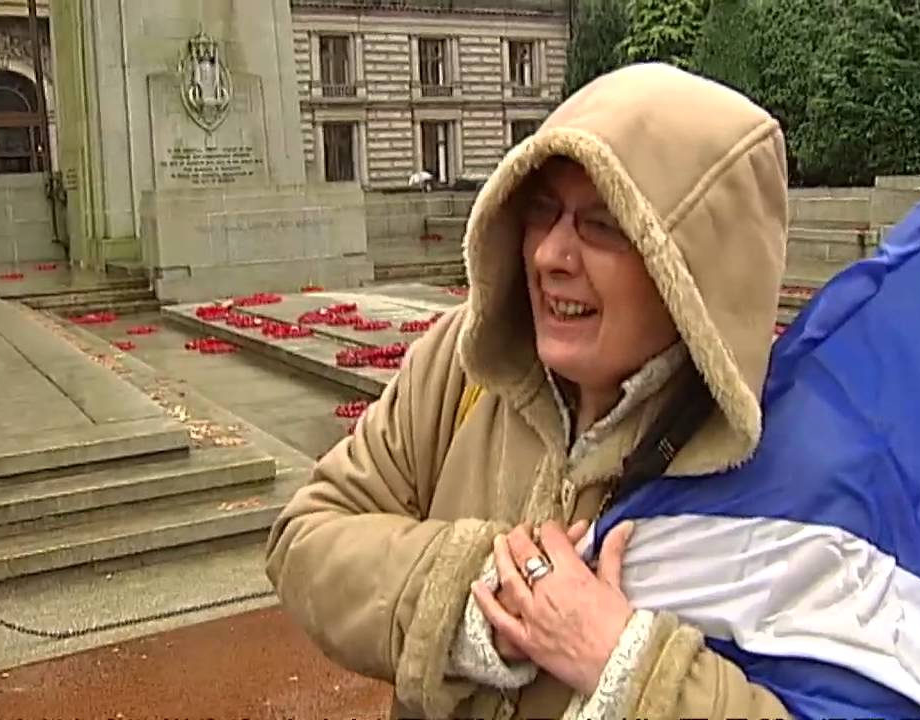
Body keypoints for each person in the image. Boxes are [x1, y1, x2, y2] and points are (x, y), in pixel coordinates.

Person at [266, 62, 789, 720]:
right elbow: (307, 536)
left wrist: (626, 664)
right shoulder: (460, 367)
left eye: (603, 224)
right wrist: (475, 592)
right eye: (543, 212)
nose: (550, 255)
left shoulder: (785, 460)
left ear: (693, 273)